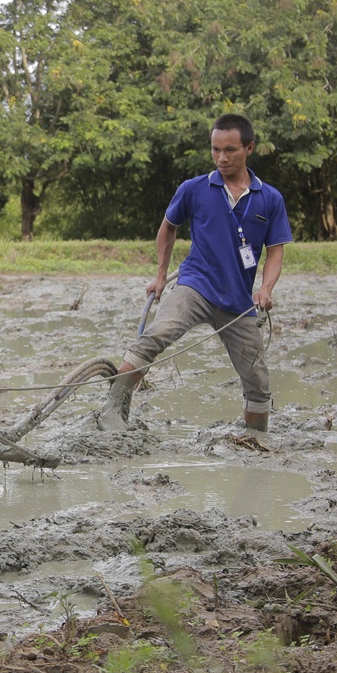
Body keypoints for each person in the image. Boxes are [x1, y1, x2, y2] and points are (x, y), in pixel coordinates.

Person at [100, 113, 293, 433]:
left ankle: (256, 440)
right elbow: (168, 228)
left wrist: (266, 288)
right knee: (157, 335)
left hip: (237, 301)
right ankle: (111, 413)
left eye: (230, 150)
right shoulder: (194, 189)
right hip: (195, 285)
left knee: (258, 379)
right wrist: (161, 276)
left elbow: (275, 251)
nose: (221, 157)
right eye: (216, 149)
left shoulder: (269, 199)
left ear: (250, 148)